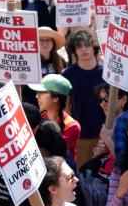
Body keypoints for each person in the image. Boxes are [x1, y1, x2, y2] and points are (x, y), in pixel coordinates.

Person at [62, 31, 106, 167]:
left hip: (105, 136)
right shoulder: (68, 75)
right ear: (74, 50)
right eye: (79, 46)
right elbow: (66, 107)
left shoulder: (106, 73)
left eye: (87, 45)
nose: (84, 49)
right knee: (82, 178)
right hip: (80, 138)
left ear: (94, 47)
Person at [31, 74, 81, 159]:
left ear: (55, 98)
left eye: (41, 93)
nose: (37, 96)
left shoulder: (72, 126)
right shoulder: (39, 117)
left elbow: (52, 153)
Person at [22, 27, 67, 107]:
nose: (45, 44)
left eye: (48, 40)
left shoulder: (61, 61)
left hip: (56, 107)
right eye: (41, 40)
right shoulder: (28, 62)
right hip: (35, 107)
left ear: (53, 43)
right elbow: (25, 89)